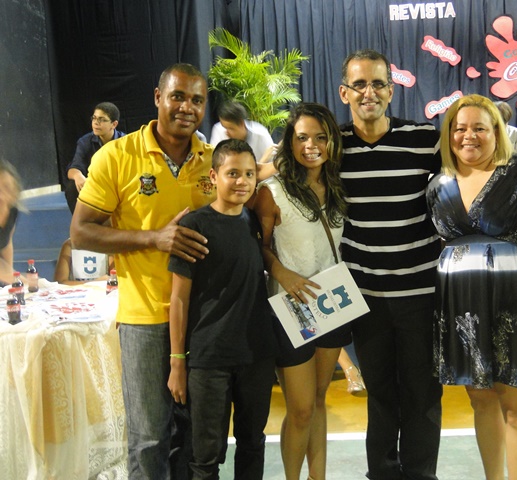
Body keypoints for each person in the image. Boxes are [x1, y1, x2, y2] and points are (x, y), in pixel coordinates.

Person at [337, 50, 517, 480]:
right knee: (383, 395)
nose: (369, 92)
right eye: (359, 84)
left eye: (378, 83)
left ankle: (421, 475)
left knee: (424, 396)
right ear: (344, 91)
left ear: (391, 90)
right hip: (369, 295)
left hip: (424, 295)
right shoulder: (334, 145)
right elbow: (291, 163)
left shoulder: (424, 139)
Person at [70, 63, 214, 479]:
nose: (187, 107)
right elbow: (81, 233)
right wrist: (154, 238)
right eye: (178, 96)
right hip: (145, 319)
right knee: (149, 439)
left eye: (197, 100)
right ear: (157, 97)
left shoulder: (212, 160)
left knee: (197, 439)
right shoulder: (117, 156)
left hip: (203, 318)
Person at [426, 94, 517, 480]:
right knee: (482, 404)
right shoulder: (437, 183)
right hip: (463, 309)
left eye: (479, 128)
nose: (468, 136)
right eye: (459, 128)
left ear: (497, 132)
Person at [167, 139, 277, 479]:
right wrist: (178, 362)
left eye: (249, 174)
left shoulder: (254, 221)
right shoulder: (194, 226)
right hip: (209, 359)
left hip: (256, 356)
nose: (242, 181)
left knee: (252, 443)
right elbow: (179, 299)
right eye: (233, 173)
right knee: (205, 456)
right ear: (214, 176)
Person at [252, 102, 350, 480]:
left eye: (320, 137)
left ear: (332, 142)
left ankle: (317, 477)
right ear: (289, 142)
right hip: (288, 307)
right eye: (302, 137)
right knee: (301, 408)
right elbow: (258, 246)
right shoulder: (272, 192)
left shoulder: (338, 187)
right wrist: (281, 271)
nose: (311, 146)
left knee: (319, 399)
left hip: (332, 302)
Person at [65, 102, 125, 213]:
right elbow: (73, 168)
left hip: (119, 185)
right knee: (72, 186)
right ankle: (82, 221)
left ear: (114, 124)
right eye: (94, 118)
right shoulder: (85, 142)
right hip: (95, 185)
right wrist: (78, 176)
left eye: (102, 120)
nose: (96, 123)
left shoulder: (125, 142)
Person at [210, 100, 276, 163]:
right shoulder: (219, 130)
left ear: (242, 124)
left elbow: (273, 165)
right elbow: (215, 164)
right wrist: (262, 161)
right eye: (224, 127)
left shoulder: (260, 135)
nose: (226, 132)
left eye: (230, 128)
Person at [0, 159, 22, 286]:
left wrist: (10, 283)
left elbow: (6, 242)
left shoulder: (12, 211)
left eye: (7, 188)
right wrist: (17, 279)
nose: (1, 195)